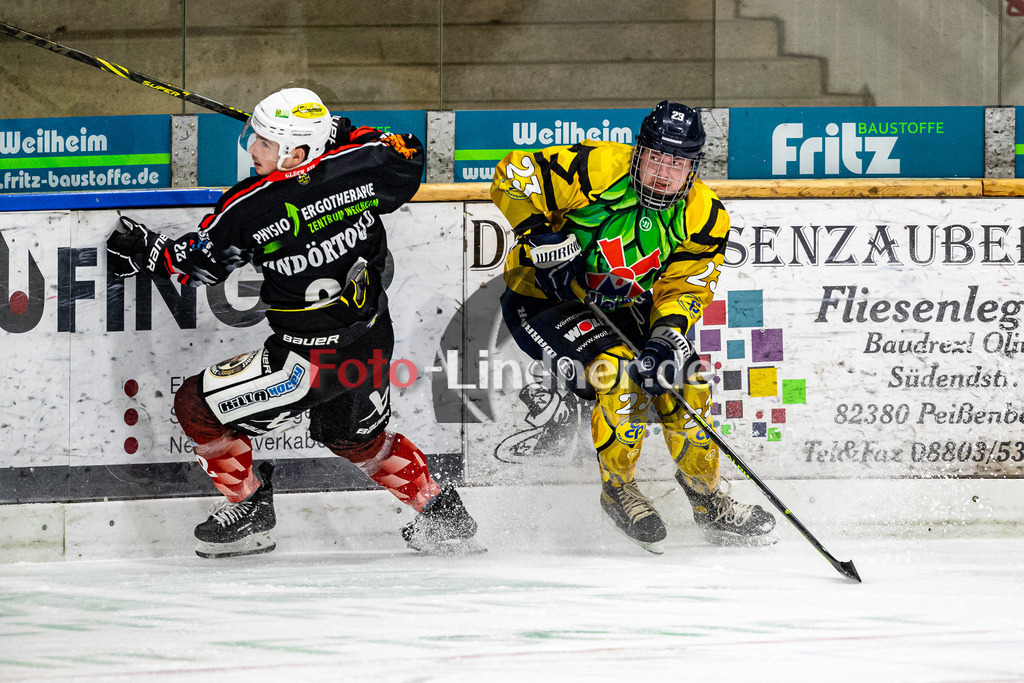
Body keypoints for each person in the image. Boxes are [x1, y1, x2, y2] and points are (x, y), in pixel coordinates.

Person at [106, 87, 480, 558]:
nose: (251, 149)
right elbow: (406, 153)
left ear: (296, 152)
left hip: (306, 360)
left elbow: (198, 265)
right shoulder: (364, 164)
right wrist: (338, 133)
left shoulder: (249, 205)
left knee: (194, 405)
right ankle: (443, 515)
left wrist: (145, 250)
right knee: (354, 437)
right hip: (370, 344)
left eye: (263, 141)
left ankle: (252, 511)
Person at [490, 101, 776, 551]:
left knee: (686, 378)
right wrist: (538, 232)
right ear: (638, 152)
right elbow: (515, 170)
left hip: (625, 306)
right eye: (657, 157)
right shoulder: (597, 167)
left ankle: (707, 501)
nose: (664, 172)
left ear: (694, 167)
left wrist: (666, 337)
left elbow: (685, 285)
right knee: (618, 374)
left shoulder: (705, 214)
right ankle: (618, 491)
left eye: (678, 162)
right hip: (545, 299)